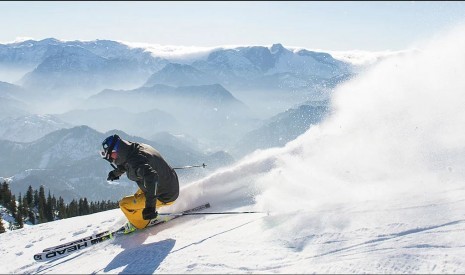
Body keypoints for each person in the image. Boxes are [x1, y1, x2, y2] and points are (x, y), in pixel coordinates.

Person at [100, 134, 179, 231]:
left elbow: (151, 177)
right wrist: (115, 173)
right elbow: (127, 163)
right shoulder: (133, 149)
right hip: (169, 182)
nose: (112, 160)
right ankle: (141, 215)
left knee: (124, 204)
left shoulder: (136, 162)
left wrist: (150, 208)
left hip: (165, 195)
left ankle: (140, 224)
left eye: (111, 156)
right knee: (137, 196)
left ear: (116, 152)